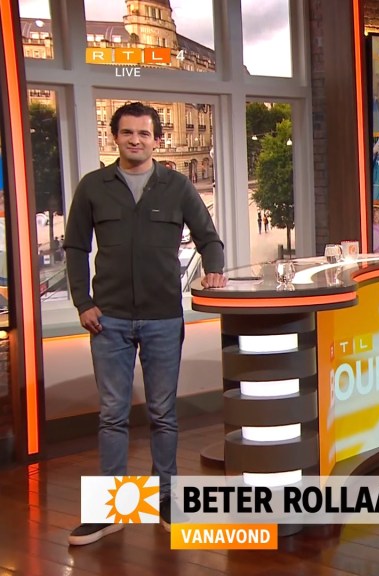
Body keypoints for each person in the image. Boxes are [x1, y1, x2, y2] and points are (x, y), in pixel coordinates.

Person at [64, 102, 227, 546]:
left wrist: (215, 270)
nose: (135, 140)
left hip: (162, 318)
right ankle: (109, 512)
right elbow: (75, 248)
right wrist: (83, 302)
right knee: (112, 415)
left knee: (163, 414)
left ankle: (167, 501)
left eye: (143, 133)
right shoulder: (93, 186)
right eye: (127, 133)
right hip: (109, 320)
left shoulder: (177, 186)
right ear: (114, 137)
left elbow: (209, 238)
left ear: (157, 139)